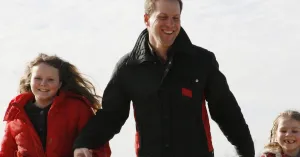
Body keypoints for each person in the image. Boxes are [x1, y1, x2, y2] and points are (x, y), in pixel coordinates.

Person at [73, 0, 254, 156]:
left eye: (176, 18)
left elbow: (226, 110)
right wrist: (83, 142)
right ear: (146, 19)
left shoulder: (201, 61)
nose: (170, 24)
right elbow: (111, 116)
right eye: (163, 17)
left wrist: (247, 152)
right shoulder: (128, 67)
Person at [0, 53, 111, 157]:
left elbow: (100, 146)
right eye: (38, 78)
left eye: (50, 80)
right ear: (29, 80)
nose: (43, 83)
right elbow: (6, 152)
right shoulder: (16, 112)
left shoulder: (77, 108)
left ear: (60, 84)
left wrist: (86, 152)